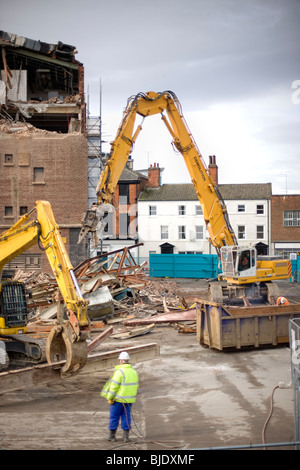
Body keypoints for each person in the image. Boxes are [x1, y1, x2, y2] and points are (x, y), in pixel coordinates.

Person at [100, 351, 139, 443]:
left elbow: (114, 387)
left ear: (121, 361)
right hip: (129, 400)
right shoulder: (134, 372)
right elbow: (136, 385)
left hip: (117, 400)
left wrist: (110, 398)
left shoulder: (119, 372)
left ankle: (112, 436)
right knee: (126, 416)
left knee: (114, 417)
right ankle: (126, 437)